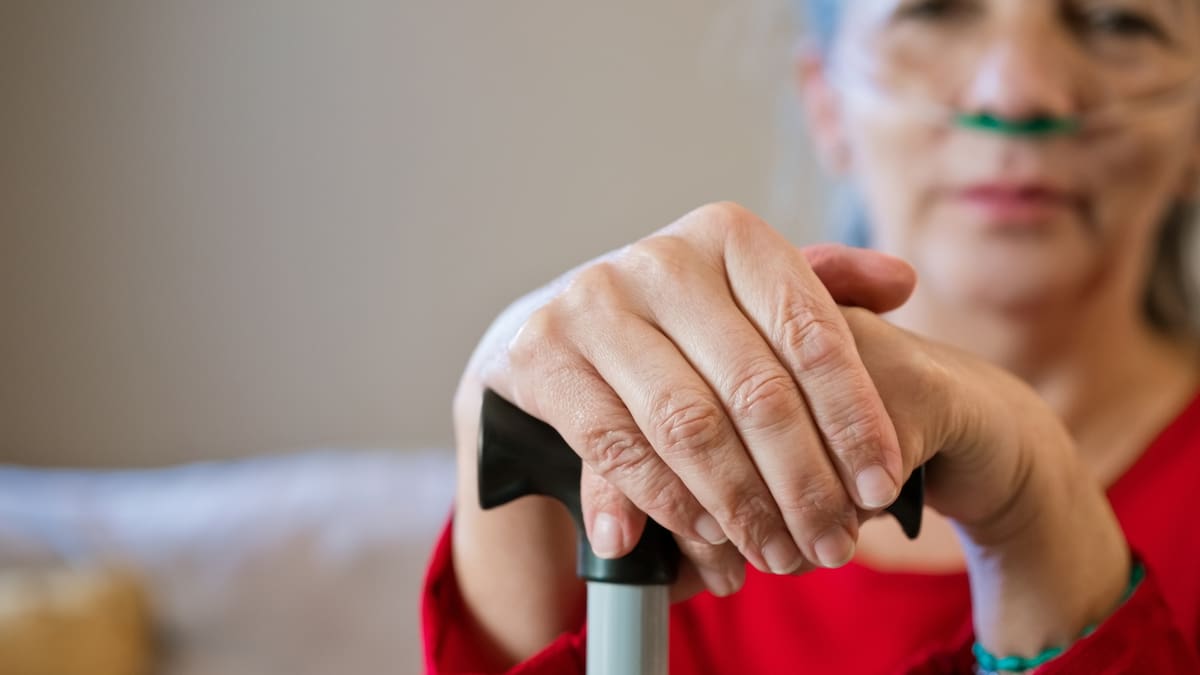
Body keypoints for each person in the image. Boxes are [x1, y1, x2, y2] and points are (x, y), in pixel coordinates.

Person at [422, 0, 1200, 672]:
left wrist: (1040, 506)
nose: (1019, 91)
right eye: (933, 9)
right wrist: (498, 411)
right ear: (826, 105)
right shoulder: (634, 464)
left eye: (1117, 19)